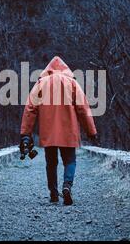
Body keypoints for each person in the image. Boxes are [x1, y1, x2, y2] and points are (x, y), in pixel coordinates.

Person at [20, 56, 98, 205]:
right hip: (69, 132)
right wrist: (91, 131)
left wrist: (25, 133)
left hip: (48, 132)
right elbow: (83, 108)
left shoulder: (41, 83)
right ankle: (67, 186)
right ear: (65, 69)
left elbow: (30, 109)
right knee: (70, 160)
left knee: (51, 163)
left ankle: (54, 194)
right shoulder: (72, 83)